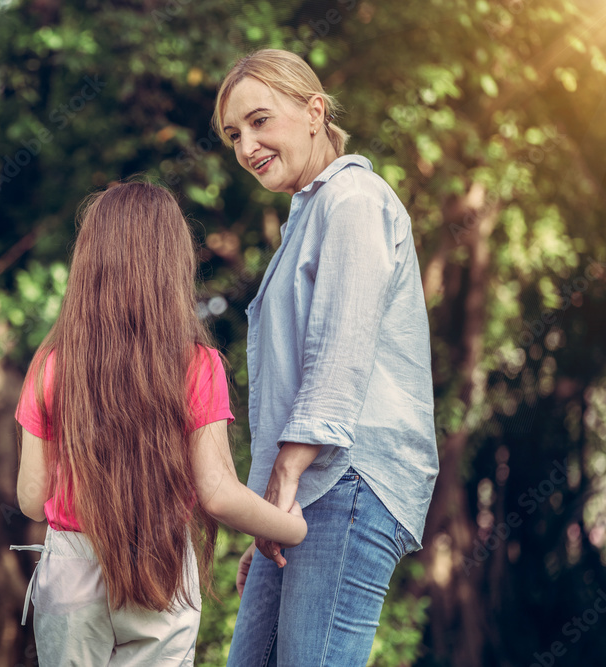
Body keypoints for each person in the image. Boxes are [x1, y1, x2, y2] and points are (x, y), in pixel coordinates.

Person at [9, 181, 308, 666]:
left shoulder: (51, 364)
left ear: (88, 263)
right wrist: (291, 530)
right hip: (161, 565)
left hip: (70, 571)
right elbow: (218, 492)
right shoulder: (197, 364)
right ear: (172, 265)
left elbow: (30, 499)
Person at [212, 49, 440, 666]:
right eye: (235, 134)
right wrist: (268, 506)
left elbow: (340, 351)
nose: (247, 145)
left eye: (260, 121)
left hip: (348, 478)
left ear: (314, 111)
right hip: (303, 489)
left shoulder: (354, 198)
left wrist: (280, 485)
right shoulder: (308, 214)